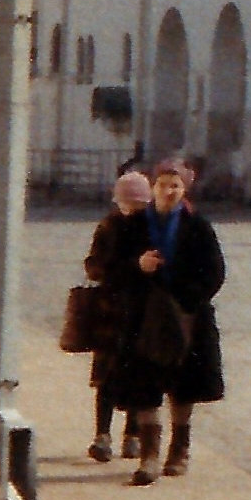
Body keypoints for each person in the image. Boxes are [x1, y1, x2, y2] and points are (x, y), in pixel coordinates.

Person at [118, 158, 227, 484]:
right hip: (143, 314)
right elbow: (113, 266)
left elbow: (215, 272)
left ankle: (179, 450)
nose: (169, 191)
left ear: (184, 189)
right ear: (153, 188)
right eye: (163, 184)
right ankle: (149, 455)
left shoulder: (198, 225)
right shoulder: (135, 225)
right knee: (144, 384)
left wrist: (187, 298)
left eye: (175, 185)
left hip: (186, 315)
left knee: (184, 386)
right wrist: (138, 265)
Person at [82, 171, 153, 463]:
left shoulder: (138, 226)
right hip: (117, 311)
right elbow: (95, 265)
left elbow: (95, 266)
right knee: (111, 376)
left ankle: (127, 435)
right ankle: (109, 435)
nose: (132, 208)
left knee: (129, 374)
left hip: (129, 310)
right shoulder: (112, 226)